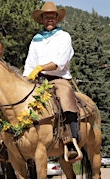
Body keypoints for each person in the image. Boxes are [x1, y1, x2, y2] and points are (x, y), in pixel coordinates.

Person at [22, 1, 82, 161]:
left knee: (66, 98)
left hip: (58, 78)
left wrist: (40, 68)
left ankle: (71, 141)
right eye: (46, 17)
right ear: (41, 19)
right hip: (37, 80)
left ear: (57, 19)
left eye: (52, 17)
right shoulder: (36, 40)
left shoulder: (64, 37)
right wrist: (25, 78)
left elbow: (60, 62)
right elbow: (29, 63)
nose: (49, 19)